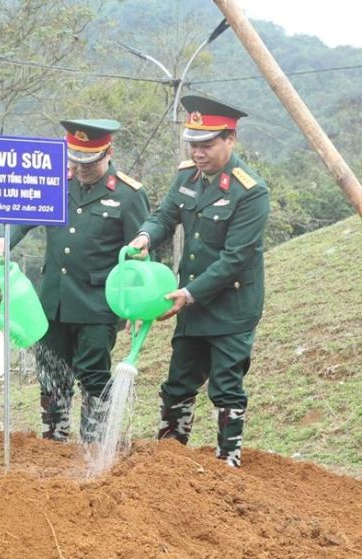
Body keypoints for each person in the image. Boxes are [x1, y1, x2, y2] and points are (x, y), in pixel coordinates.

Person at [128, 95, 269, 468]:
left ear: (230, 140)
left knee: (225, 386)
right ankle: (170, 459)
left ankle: (227, 461)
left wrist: (189, 294)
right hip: (189, 300)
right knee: (178, 382)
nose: (199, 152)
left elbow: (235, 259)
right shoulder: (186, 176)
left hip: (230, 306)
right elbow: (163, 216)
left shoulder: (250, 191)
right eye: (194, 143)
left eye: (207, 144)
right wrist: (144, 237)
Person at [0, 119, 150, 443]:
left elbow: (142, 252)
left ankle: (93, 447)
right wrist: (8, 239)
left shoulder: (128, 195)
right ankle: (54, 441)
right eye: (75, 160)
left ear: (108, 153)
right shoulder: (57, 183)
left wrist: (137, 303)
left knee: (93, 376)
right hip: (53, 300)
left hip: (97, 305)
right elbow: (27, 215)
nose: (80, 168)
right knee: (51, 375)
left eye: (88, 162)